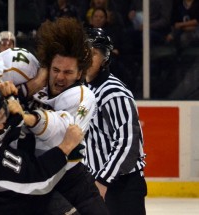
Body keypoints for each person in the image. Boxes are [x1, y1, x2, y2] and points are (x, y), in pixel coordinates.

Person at [0, 17, 109, 215]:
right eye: (55, 69)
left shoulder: (82, 97)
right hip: (25, 177)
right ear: (46, 64)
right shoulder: (22, 64)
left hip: (64, 172)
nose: (60, 77)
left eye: (68, 72)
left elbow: (62, 133)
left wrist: (26, 111)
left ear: (79, 73)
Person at [0, 78, 85, 215]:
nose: (1, 124)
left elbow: (9, 123)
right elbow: (39, 181)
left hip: (18, 198)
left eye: (2, 115)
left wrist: (11, 95)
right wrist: (66, 148)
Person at [84, 27, 147, 215]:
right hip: (99, 183)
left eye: (93, 53)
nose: (86, 57)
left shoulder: (113, 92)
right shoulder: (85, 89)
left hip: (122, 187)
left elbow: (128, 144)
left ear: (105, 58)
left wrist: (102, 181)